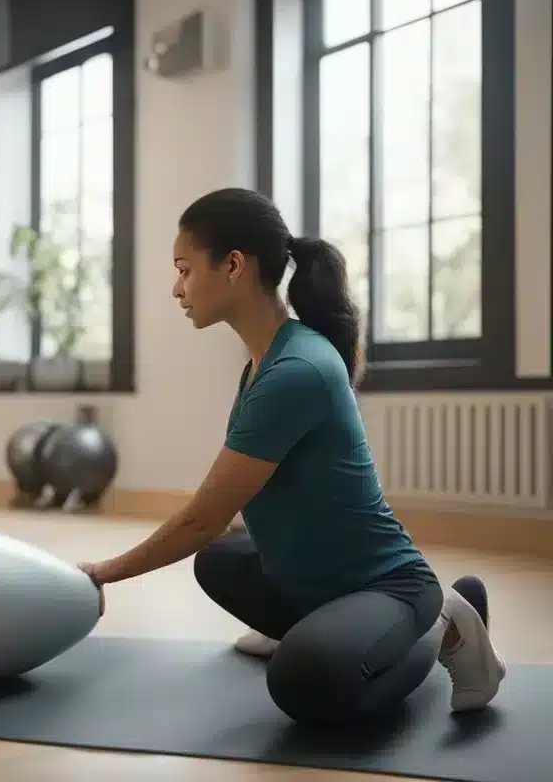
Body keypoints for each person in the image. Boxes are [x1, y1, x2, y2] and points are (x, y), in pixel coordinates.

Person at [79, 187, 506, 726]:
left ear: (233, 265)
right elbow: (245, 507)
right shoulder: (266, 358)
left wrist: (102, 572)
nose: (176, 287)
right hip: (331, 583)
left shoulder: (296, 370)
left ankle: (445, 622)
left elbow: (202, 518)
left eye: (185, 269)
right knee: (218, 562)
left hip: (389, 586)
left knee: (303, 682)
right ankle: (317, 628)